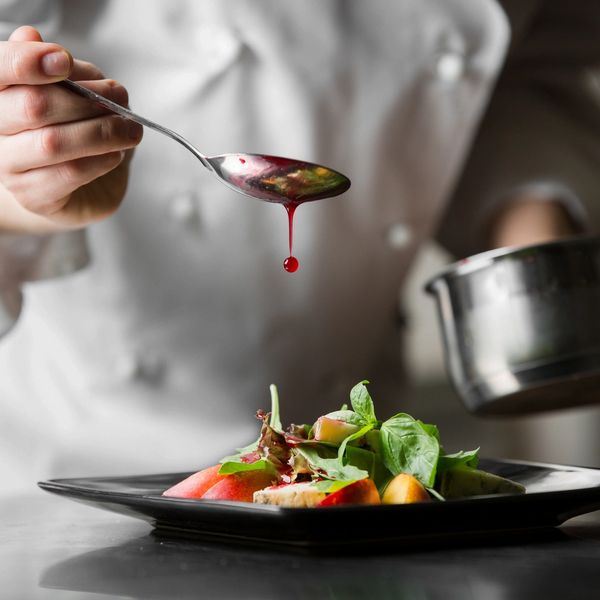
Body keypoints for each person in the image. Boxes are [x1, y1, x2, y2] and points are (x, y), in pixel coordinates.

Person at [0, 0, 598, 491]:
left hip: (358, 469)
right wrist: (31, 183)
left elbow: (524, 70)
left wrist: (535, 247)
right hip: (89, 476)